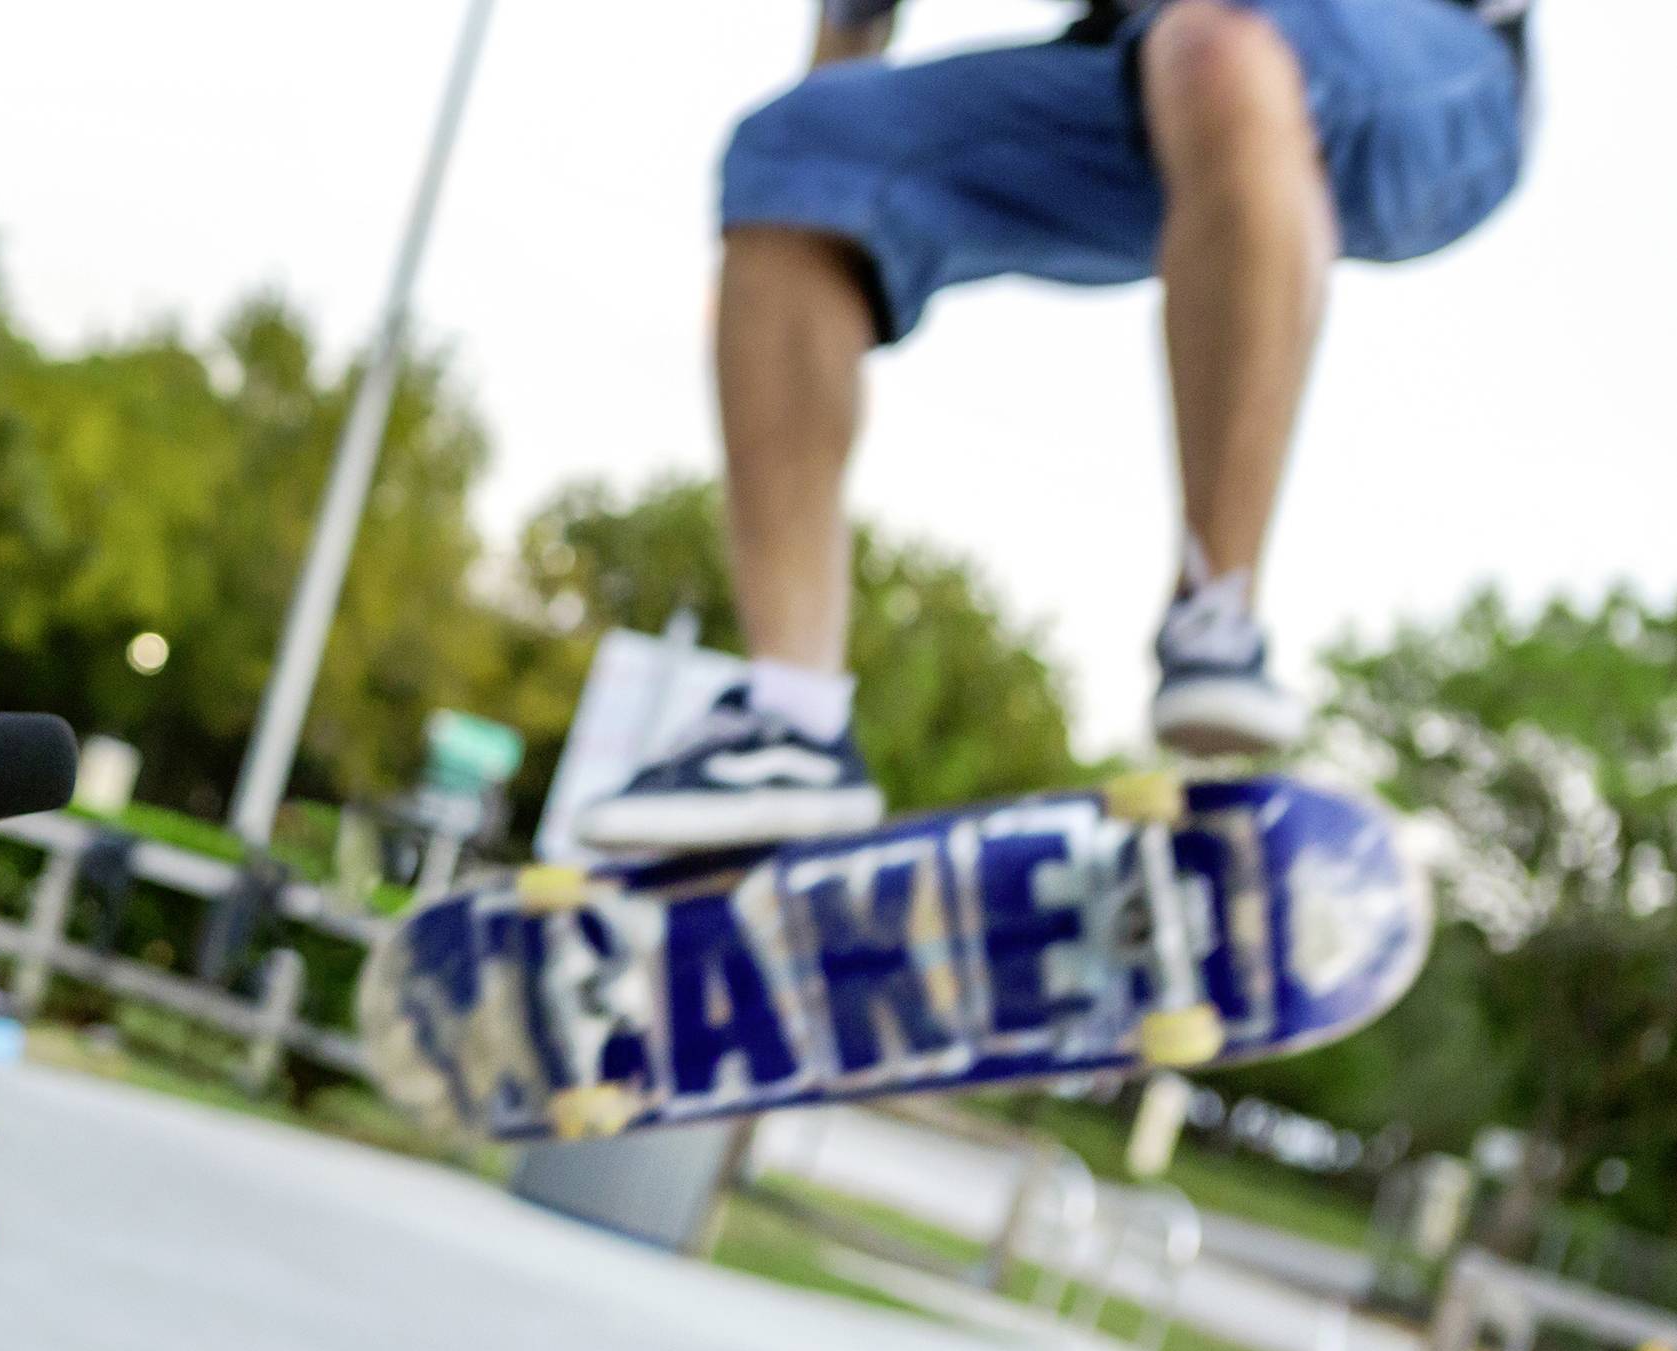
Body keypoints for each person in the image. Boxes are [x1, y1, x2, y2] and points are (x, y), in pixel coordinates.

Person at [577, 0, 1534, 852]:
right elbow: (849, 56)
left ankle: (1217, 615)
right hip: (1147, 87)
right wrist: (807, 256)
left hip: (1427, 70)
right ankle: (788, 722)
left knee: (1216, 45)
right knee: (797, 151)